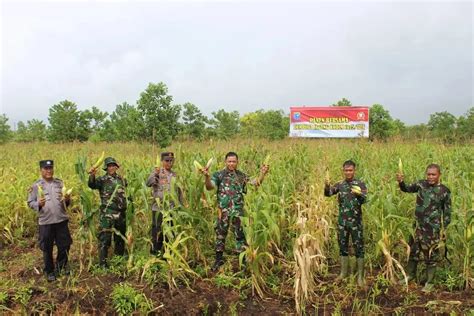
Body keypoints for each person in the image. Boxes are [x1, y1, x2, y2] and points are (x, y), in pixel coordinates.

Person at [202, 152, 269, 271]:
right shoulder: (219, 175)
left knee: (240, 236)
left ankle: (242, 262)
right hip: (223, 212)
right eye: (229, 161)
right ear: (225, 162)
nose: (231, 164)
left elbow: (255, 184)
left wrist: (262, 174)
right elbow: (209, 187)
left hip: (238, 211)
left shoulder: (241, 176)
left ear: (237, 162)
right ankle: (218, 260)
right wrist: (206, 176)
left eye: (234, 161)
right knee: (220, 235)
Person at [396, 163, 451, 292]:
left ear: (439, 175)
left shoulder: (444, 191)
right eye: (428, 174)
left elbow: (447, 213)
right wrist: (401, 182)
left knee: (430, 254)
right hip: (417, 226)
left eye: (433, 174)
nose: (430, 177)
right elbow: (407, 189)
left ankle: (430, 282)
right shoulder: (421, 184)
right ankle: (410, 275)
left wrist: (444, 229)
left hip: (432, 228)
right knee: (413, 251)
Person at [27, 160, 72, 282]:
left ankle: (60, 267)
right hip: (46, 222)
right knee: (47, 248)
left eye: (50, 168)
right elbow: (30, 202)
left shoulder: (59, 183)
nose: (49, 171)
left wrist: (67, 199)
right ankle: (49, 271)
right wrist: (38, 204)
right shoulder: (35, 186)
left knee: (65, 245)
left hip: (61, 220)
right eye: (46, 168)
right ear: (41, 170)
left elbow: (66, 203)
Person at [324, 160, 367, 286]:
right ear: (343, 171)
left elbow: (365, 199)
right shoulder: (340, 184)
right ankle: (343, 273)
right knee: (343, 247)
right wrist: (326, 185)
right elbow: (328, 194)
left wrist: (358, 194)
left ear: (354, 171)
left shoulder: (360, 184)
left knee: (358, 248)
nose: (348, 172)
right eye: (346, 170)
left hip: (356, 222)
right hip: (342, 222)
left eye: (350, 170)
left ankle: (360, 277)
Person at [88, 157, 128, 267]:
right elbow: (92, 185)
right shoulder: (102, 180)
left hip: (121, 214)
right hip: (107, 214)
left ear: (116, 167)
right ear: (106, 168)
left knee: (120, 238)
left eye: (113, 165)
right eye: (109, 166)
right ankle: (103, 264)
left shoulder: (121, 179)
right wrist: (92, 175)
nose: (111, 168)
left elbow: (125, 192)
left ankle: (118, 261)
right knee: (105, 239)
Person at [146, 152, 183, 255]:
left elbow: (179, 192)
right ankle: (155, 255)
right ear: (162, 161)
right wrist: (155, 173)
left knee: (169, 233)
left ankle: (167, 255)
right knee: (157, 233)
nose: (169, 163)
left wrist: (180, 206)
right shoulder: (157, 172)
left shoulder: (174, 175)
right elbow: (148, 183)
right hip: (158, 210)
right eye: (167, 160)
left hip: (171, 210)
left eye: (171, 161)